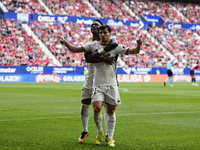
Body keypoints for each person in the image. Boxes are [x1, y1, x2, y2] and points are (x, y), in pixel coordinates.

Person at [58, 19, 118, 144]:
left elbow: (114, 47)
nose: (94, 27)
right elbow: (88, 59)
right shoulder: (87, 42)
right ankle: (85, 130)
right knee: (84, 104)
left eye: (96, 25)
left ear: (102, 28)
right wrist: (103, 58)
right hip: (90, 78)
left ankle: (107, 134)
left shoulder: (110, 41)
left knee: (107, 107)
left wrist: (98, 56)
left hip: (105, 78)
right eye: (92, 26)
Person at [82, 25, 142, 147]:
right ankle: (99, 132)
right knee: (96, 109)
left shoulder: (115, 46)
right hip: (97, 83)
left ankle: (110, 137)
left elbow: (134, 51)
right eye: (100, 32)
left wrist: (139, 44)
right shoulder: (92, 45)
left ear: (109, 33)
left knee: (111, 111)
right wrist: (65, 43)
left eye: (104, 32)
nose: (102, 34)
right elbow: (80, 52)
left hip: (111, 84)